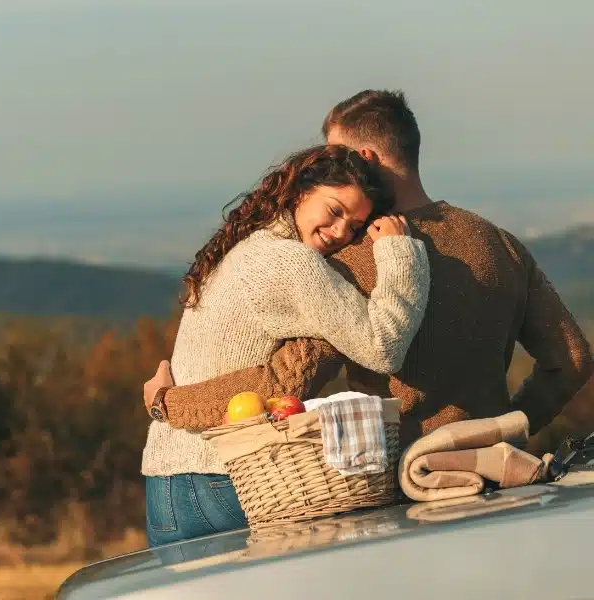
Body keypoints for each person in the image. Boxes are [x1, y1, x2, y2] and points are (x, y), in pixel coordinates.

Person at [144, 89, 593, 460]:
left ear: (362, 157)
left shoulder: (356, 259)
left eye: (333, 154)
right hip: (502, 470)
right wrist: (507, 429)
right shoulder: (501, 243)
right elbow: (572, 358)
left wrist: (169, 403)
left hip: (402, 487)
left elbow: (282, 383)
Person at [141, 143, 431, 547]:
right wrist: (401, 254)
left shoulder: (249, 247)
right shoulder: (291, 262)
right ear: (300, 193)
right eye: (334, 211)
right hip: (228, 478)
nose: (340, 232)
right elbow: (383, 347)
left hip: (166, 484)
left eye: (354, 225)